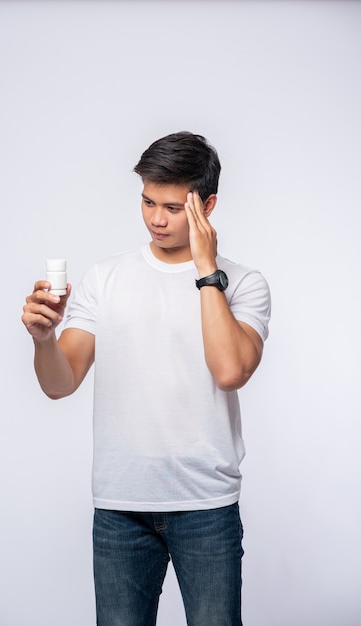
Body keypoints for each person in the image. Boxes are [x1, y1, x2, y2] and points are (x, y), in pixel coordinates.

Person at [22, 131, 271, 626]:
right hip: (119, 507)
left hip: (206, 505)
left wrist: (205, 270)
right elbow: (60, 382)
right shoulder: (105, 278)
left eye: (174, 207)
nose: (157, 219)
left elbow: (229, 370)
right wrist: (43, 339)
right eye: (147, 202)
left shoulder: (242, 283)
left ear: (208, 205)